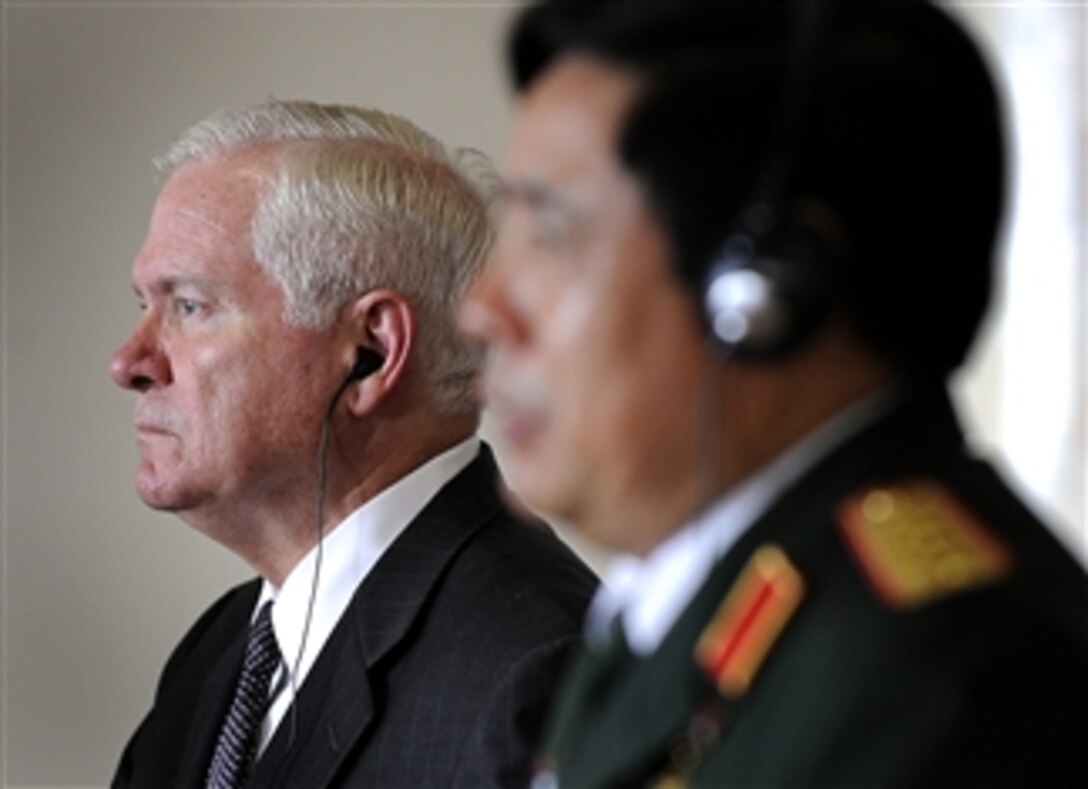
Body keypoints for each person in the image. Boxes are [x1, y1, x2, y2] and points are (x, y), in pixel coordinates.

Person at [457, 1, 1088, 785]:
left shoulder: (933, 673)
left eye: (549, 236)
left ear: (767, 289)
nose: (482, 307)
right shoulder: (674, 603)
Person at [108, 99, 597, 788]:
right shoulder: (217, 651)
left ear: (370, 351)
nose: (129, 361)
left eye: (190, 306)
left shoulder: (537, 677)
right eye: (143, 305)